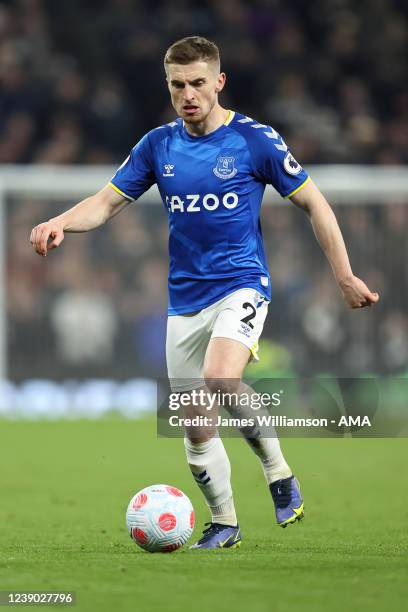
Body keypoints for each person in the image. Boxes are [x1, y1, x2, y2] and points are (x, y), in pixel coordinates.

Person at [30, 36, 379, 550]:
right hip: (184, 301)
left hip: (241, 284)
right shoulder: (157, 145)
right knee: (194, 425)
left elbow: (316, 205)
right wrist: (60, 221)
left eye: (198, 83)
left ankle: (278, 472)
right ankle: (225, 523)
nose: (188, 94)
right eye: (178, 85)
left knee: (220, 376)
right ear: (168, 86)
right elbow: (105, 204)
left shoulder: (255, 140)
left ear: (219, 82)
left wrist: (345, 275)